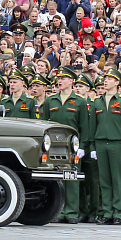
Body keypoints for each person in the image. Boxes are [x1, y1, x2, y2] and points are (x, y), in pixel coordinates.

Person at [41, 66, 88, 223]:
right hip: (53, 144)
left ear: (71, 81)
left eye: (63, 78)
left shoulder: (80, 102)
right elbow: (45, 123)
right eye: (59, 78)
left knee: (72, 177)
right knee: (56, 177)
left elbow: (84, 126)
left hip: (72, 145)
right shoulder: (50, 100)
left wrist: (82, 147)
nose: (59, 81)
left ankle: (72, 212)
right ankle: (59, 211)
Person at [90, 68, 121, 225]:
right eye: (105, 78)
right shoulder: (97, 101)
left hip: (117, 144)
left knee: (117, 180)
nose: (105, 81)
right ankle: (107, 211)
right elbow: (92, 126)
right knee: (104, 180)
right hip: (101, 143)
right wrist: (93, 146)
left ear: (117, 82)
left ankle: (119, 212)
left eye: (109, 79)